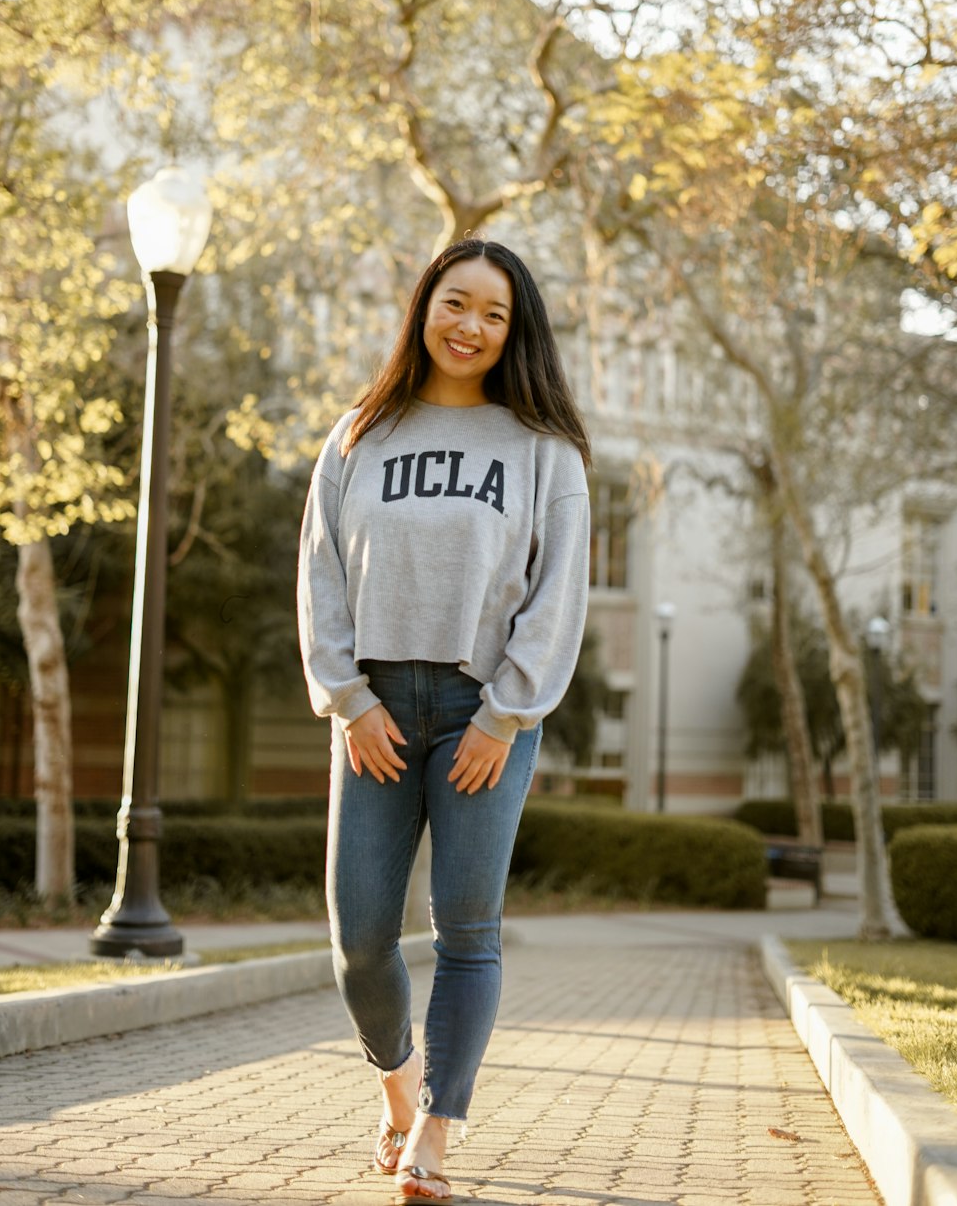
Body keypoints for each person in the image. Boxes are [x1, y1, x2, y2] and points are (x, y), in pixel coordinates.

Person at [297, 238, 591, 1202]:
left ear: (516, 333)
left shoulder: (544, 451)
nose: (470, 326)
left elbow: (557, 599)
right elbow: (321, 581)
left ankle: (436, 1131)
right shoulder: (357, 436)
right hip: (374, 710)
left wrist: (505, 718)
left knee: (467, 931)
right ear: (425, 307)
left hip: (483, 714)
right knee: (361, 937)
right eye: (455, 303)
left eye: (494, 314)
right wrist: (349, 701)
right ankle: (397, 1090)